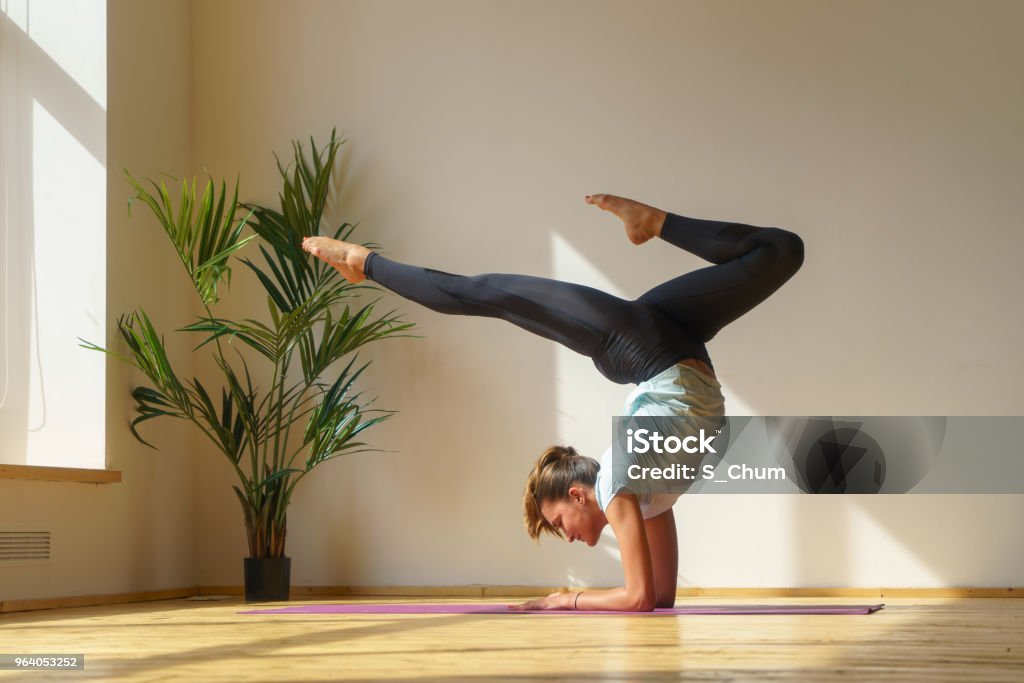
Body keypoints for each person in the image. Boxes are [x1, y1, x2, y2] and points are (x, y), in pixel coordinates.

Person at [302, 194, 804, 612]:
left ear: (580, 496)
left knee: (487, 293)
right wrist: (608, 598)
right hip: (679, 349)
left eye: (559, 521)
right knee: (780, 250)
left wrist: (566, 600)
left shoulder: (617, 481)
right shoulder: (649, 496)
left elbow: (638, 598)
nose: (568, 538)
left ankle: (362, 262)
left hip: (638, 346)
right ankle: (649, 221)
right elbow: (656, 599)